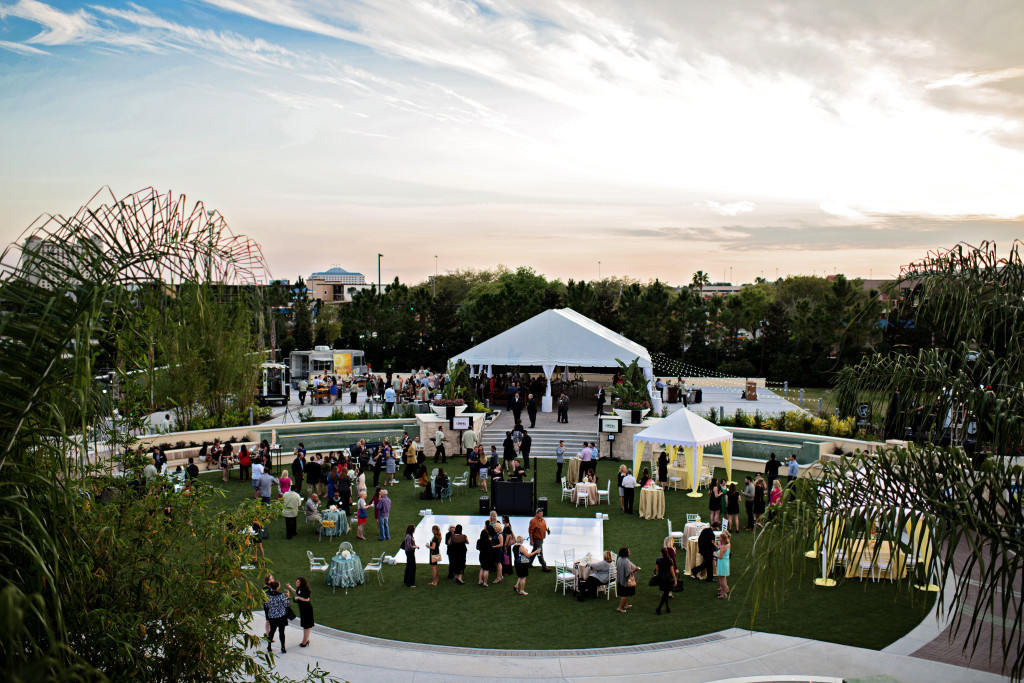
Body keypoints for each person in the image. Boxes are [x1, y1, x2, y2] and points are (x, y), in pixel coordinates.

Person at [264, 579, 290, 653]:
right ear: (277, 587)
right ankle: (283, 647)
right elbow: (286, 604)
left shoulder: (268, 596)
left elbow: (266, 605)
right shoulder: (281, 595)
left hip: (272, 617)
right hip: (281, 616)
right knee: (281, 632)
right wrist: (288, 596)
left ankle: (269, 646)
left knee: (272, 631)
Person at [289, 576, 314, 647]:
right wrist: (290, 588)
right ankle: (305, 640)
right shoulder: (299, 588)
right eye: (296, 581)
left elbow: (306, 599)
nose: (296, 583)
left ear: (301, 583)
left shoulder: (305, 589)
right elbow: (297, 594)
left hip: (307, 609)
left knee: (307, 625)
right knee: (305, 625)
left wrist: (298, 598)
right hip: (303, 609)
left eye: (298, 582)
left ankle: (305, 641)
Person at [615, 547, 639, 613]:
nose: (629, 553)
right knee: (625, 594)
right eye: (628, 552)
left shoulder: (619, 559)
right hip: (625, 581)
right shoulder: (626, 561)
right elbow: (628, 573)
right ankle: (619, 608)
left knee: (623, 593)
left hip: (620, 579)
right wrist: (635, 569)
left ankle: (626, 605)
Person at [655, 546, 677, 615]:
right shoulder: (670, 560)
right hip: (668, 579)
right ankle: (659, 608)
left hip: (661, 578)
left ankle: (667, 607)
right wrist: (675, 580)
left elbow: (657, 570)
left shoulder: (658, 560)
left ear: (661, 553)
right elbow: (672, 571)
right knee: (666, 594)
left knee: (665, 593)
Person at [715, 530, 731, 599]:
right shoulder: (727, 545)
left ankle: (724, 594)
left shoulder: (723, 547)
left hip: (722, 563)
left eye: (719, 538)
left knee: (721, 579)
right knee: (723, 578)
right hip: (725, 562)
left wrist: (715, 554)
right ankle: (723, 591)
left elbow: (720, 557)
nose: (719, 539)